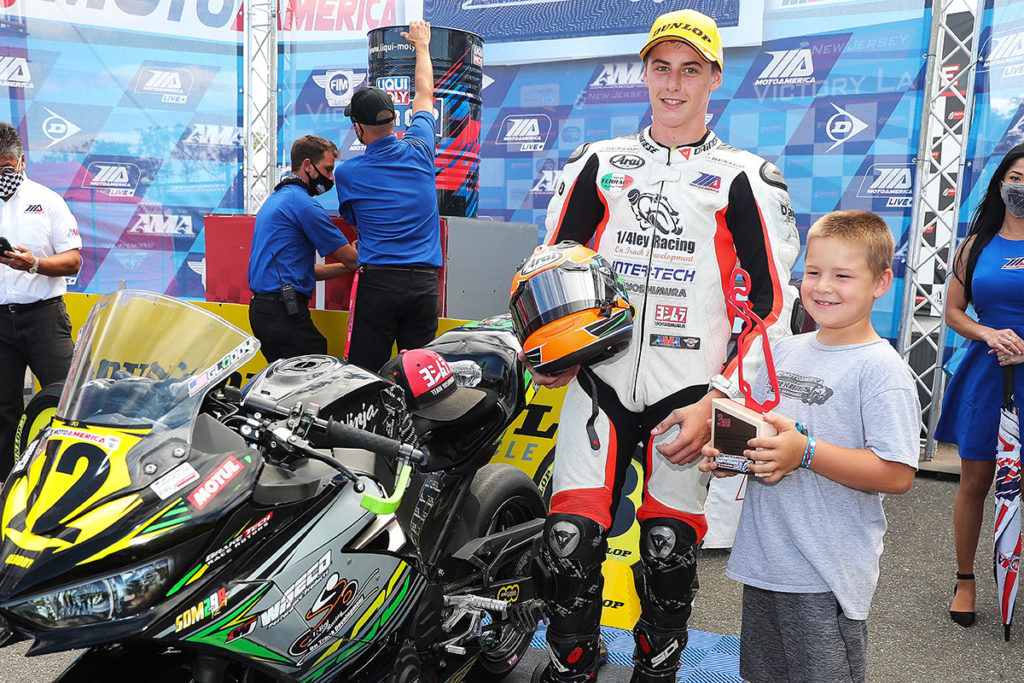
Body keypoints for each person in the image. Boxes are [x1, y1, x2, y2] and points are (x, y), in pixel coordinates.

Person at [530, 10, 800, 682]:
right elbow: (550, 267)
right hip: (600, 381)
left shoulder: (745, 176)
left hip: (695, 391)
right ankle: (571, 666)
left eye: (690, 69)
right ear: (644, 72)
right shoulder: (599, 162)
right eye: (661, 67)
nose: (673, 82)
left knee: (669, 546)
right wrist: (549, 354)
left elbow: (773, 306)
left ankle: (657, 669)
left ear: (713, 77)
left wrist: (723, 400)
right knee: (568, 544)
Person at [701, 210, 920, 682]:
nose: (823, 287)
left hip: (826, 573)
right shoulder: (785, 351)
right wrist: (733, 458)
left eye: (843, 275)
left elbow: (898, 474)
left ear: (882, 282)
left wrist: (806, 453)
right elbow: (764, 431)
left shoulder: (881, 371)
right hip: (766, 562)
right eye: (813, 272)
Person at [934, 143, 1024, 628]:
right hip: (986, 375)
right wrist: (987, 331)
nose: (1022, 187)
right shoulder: (976, 246)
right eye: (1016, 176)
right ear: (1000, 181)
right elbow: (952, 313)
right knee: (974, 482)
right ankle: (965, 580)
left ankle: (1012, 576)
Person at [336, 19, 442, 374]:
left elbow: (354, 220)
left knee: (365, 375)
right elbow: (425, 93)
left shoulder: (347, 173)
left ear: (359, 128)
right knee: (422, 379)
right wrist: (422, 47)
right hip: (425, 286)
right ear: (395, 120)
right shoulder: (421, 147)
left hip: (379, 282)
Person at [0, 121, 82, 469]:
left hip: (45, 317)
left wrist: (34, 264)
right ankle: (6, 483)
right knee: (3, 407)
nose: (2, 175)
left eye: (5, 167)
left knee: (64, 401)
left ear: (21, 163)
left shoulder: (48, 201)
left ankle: (66, 474)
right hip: (1, 322)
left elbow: (74, 259)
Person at [248, 134, 357, 363]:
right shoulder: (304, 204)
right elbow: (352, 258)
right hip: (282, 310)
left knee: (289, 381)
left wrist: (348, 266)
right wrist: (360, 254)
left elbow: (305, 271)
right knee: (315, 367)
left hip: (263, 310)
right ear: (307, 165)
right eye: (328, 170)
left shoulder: (277, 197)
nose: (331, 179)